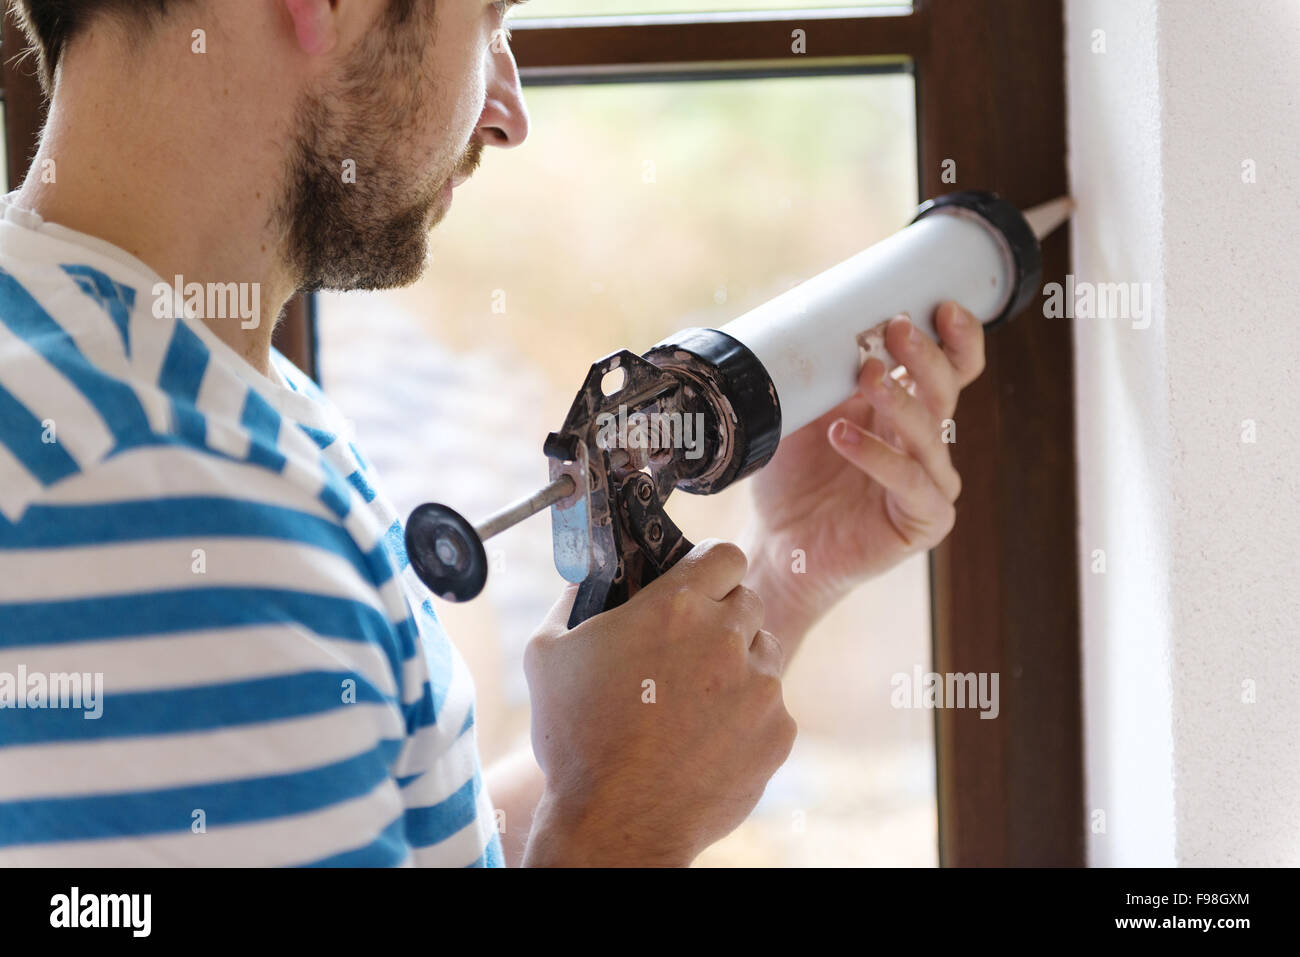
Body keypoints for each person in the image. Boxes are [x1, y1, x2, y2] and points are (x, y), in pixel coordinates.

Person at [0, 0, 986, 867]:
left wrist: (782, 580)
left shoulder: (176, 379)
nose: (507, 112)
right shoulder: (154, 504)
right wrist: (622, 826)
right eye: (488, 19)